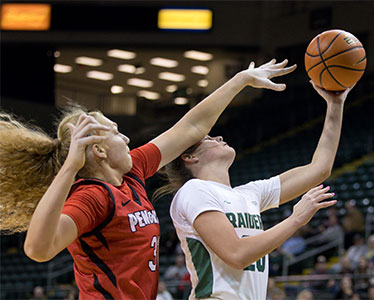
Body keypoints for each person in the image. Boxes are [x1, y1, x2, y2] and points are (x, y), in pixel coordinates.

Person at [0, 59, 295, 299]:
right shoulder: (92, 196)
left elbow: (191, 127)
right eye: (116, 132)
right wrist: (69, 168)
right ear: (100, 151)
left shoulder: (133, 172)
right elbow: (38, 249)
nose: (127, 137)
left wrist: (241, 79)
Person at [156, 79, 354, 299]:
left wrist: (335, 105)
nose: (219, 138)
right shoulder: (194, 190)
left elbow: (319, 169)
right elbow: (237, 254)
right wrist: (295, 219)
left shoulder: (250, 194)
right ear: (190, 157)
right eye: (209, 139)